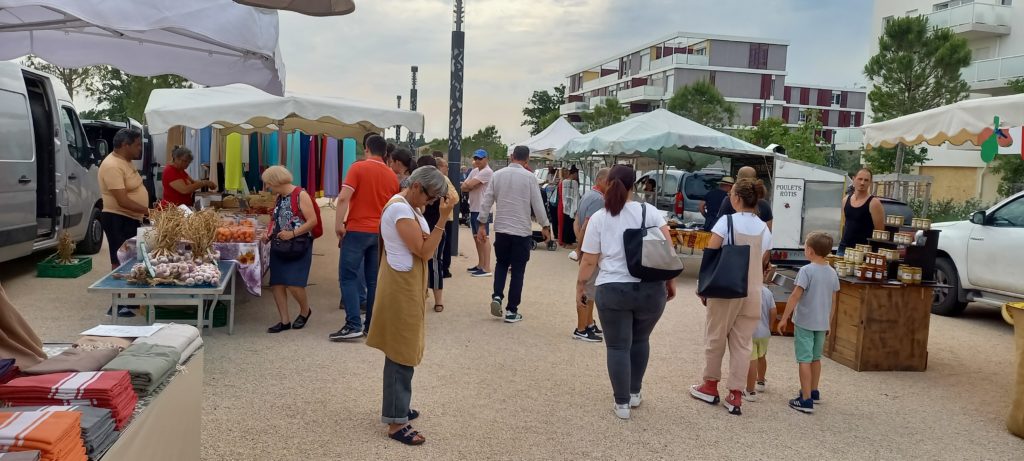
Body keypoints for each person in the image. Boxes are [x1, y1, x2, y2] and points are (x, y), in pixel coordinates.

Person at [576, 165, 675, 420]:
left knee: (618, 346)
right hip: (649, 288)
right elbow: (668, 249)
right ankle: (634, 392)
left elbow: (589, 260)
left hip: (612, 288)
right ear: (635, 186)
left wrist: (581, 286)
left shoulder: (600, 217)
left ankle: (621, 404)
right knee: (641, 340)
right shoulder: (650, 212)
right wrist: (669, 281)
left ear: (608, 183)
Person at [365, 166, 454, 446]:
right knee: (400, 350)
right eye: (429, 197)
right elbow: (425, 250)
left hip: (405, 280)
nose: (430, 203)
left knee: (405, 347)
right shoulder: (401, 210)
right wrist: (443, 218)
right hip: (401, 283)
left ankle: (399, 406)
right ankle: (395, 422)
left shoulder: (408, 206)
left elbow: (422, 245)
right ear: (416, 187)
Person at [691, 177, 773, 416]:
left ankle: (710, 385)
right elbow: (762, 259)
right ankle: (736, 394)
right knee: (742, 343)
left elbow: (712, 252)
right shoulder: (763, 227)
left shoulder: (725, 223)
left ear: (736, 198)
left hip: (725, 287)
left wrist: (703, 286)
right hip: (752, 289)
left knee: (715, 336)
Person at [331, 134, 400, 341]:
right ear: (385, 152)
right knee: (373, 281)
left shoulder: (358, 168)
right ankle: (370, 325)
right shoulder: (391, 176)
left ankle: (353, 324)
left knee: (348, 276)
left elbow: (344, 197)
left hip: (358, 228)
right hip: (379, 232)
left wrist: (338, 225)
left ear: (366, 148)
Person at [476, 146, 551, 323]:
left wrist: (481, 224)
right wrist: (545, 225)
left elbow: (487, 200)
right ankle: (512, 310)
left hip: (502, 228)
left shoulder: (498, 175)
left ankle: (497, 296)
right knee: (518, 270)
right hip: (521, 230)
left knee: (501, 264)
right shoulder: (530, 177)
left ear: (511, 156)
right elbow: (537, 205)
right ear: (527, 160)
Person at [776, 232, 840, 414]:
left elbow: (796, 295)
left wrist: (785, 317)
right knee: (815, 358)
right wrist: (830, 320)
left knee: (803, 359)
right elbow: (834, 299)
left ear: (810, 251)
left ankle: (805, 399)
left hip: (805, 321)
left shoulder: (806, 271)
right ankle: (813, 390)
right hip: (822, 322)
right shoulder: (832, 272)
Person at [98, 128, 148, 318]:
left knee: (134, 259)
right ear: (125, 145)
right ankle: (117, 304)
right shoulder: (112, 165)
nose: (140, 149)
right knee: (119, 260)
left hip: (130, 218)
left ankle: (130, 301)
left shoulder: (126, 161)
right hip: (117, 217)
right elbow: (122, 200)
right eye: (136, 145)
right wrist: (149, 211)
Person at [261, 166, 317, 333]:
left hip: (298, 244)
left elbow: (312, 221)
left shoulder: (301, 195)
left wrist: (292, 233)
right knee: (277, 283)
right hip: (280, 245)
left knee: (294, 284)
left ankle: (305, 310)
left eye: (268, 184)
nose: (267, 188)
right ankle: (284, 320)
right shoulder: (280, 196)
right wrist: (269, 233)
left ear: (275, 182)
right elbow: (275, 218)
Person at [417, 155, 460, 312]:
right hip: (436, 227)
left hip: (429, 227)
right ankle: (437, 300)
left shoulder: (421, 184)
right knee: (434, 263)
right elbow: (454, 198)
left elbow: (454, 198)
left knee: (430, 263)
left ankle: (431, 298)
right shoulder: (440, 182)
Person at [572, 167, 610, 342]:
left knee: (591, 288)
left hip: (587, 247)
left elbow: (577, 221)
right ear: (601, 180)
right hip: (591, 250)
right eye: (609, 181)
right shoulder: (599, 200)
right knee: (587, 288)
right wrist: (582, 249)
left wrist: (579, 244)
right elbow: (587, 225)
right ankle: (581, 328)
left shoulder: (588, 195)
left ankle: (588, 323)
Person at [461, 149, 494, 277]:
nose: (478, 161)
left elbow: (469, 184)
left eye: (480, 158)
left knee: (483, 238)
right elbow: (465, 186)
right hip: (474, 207)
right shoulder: (475, 171)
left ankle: (486, 267)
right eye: (476, 158)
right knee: (476, 238)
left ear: (486, 159)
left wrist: (470, 185)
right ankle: (481, 264)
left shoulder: (487, 172)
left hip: (483, 209)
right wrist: (470, 185)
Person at [744, 275, 777, 401]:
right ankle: (761, 381)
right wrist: (770, 326)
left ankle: (750, 390)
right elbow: (773, 311)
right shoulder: (767, 292)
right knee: (762, 357)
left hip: (750, 331)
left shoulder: (747, 291)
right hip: (764, 332)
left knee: (751, 360)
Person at [838, 168, 884, 254]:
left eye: (866, 180)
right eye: (860, 179)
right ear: (853, 179)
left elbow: (880, 232)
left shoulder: (874, 203)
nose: (862, 183)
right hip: (844, 248)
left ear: (870, 182)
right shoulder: (845, 200)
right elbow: (844, 224)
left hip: (863, 251)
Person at [432, 151, 455, 278]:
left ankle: (444, 268)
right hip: (446, 215)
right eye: (446, 166)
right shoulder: (444, 179)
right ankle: (445, 269)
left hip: (443, 216)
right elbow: (455, 197)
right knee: (445, 244)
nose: (448, 168)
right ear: (440, 167)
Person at [560, 166, 580, 248]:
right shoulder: (574, 183)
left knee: (565, 224)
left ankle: (565, 242)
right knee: (571, 224)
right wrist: (575, 207)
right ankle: (569, 242)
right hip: (572, 205)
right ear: (574, 173)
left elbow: (563, 194)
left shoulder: (564, 181)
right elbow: (576, 196)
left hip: (565, 205)